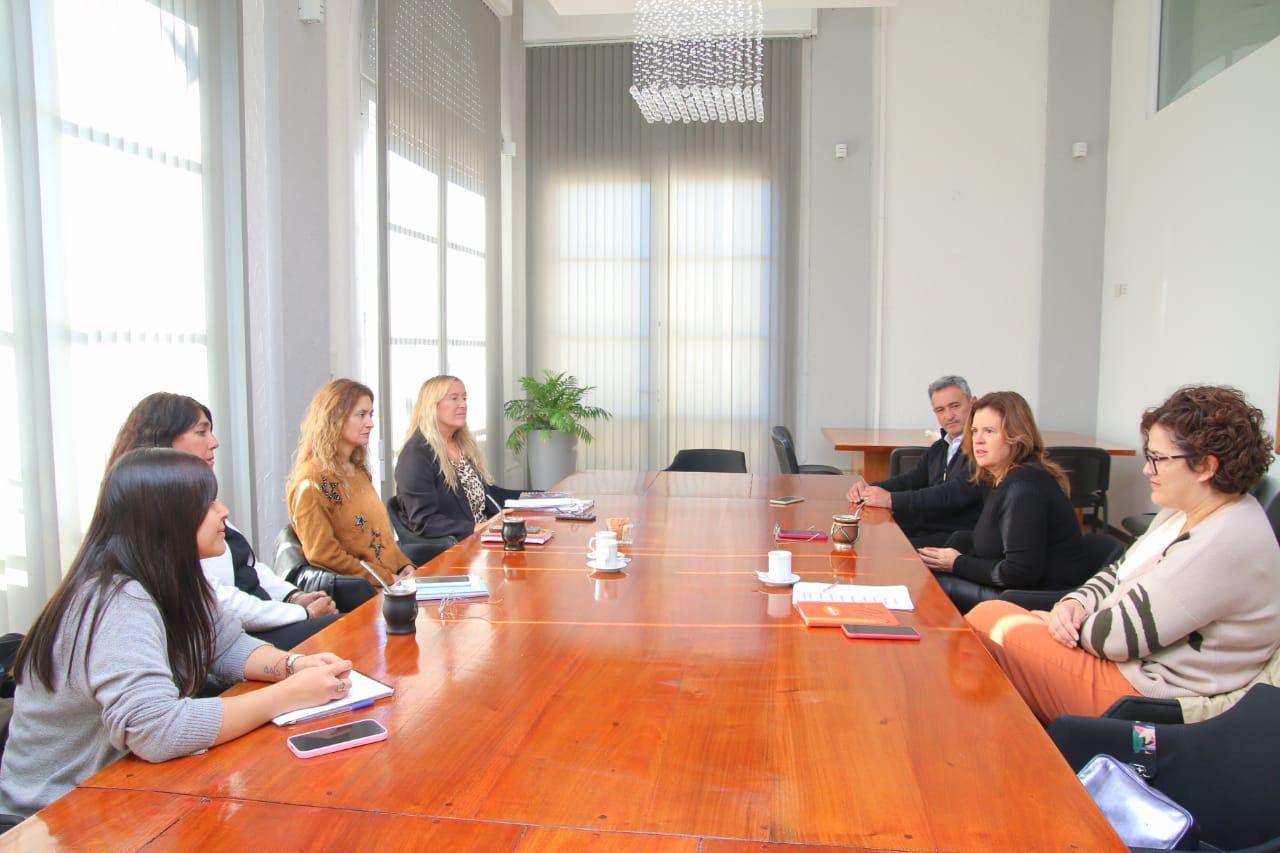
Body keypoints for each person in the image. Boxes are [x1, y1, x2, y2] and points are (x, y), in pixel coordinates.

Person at [0, 449, 354, 818]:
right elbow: (157, 730)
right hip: (54, 817)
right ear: (168, 519)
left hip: (122, 790)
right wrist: (289, 695)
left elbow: (228, 645)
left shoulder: (175, 579)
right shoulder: (119, 600)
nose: (224, 513)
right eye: (208, 504)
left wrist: (294, 664)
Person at [966, 385, 1280, 724]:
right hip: (1128, 662)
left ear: (1205, 466)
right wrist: (1073, 604)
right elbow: (1120, 569)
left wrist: (1059, 621)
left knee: (987, 620)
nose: (1147, 470)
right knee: (997, 621)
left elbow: (1115, 639)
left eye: (1158, 459)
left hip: (1146, 693)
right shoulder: (1188, 510)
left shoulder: (1223, 541)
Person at [108, 393, 339, 649]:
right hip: (234, 633)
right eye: (201, 432)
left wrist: (294, 596)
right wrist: (301, 614)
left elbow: (248, 567)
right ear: (164, 439)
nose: (214, 443)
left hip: (245, 628)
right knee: (338, 634)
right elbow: (215, 600)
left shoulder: (202, 501)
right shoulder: (156, 516)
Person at [918, 390, 1084, 613]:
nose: (978, 439)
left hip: (1035, 597)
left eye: (989, 431)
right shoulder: (1002, 478)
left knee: (930, 586)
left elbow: (1019, 573)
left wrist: (956, 562)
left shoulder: (1022, 488)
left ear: (1016, 436)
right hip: (1017, 587)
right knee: (925, 568)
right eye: (975, 431)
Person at [286, 379, 415, 588]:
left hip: (393, 583)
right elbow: (324, 554)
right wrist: (386, 579)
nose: (370, 423)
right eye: (361, 415)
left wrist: (404, 566)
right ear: (334, 418)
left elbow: (382, 536)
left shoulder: (357, 471)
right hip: (365, 594)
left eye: (371, 414)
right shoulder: (312, 482)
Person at [846, 375, 982, 547]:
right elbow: (911, 480)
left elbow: (952, 493)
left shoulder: (981, 448)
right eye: (940, 410)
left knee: (881, 549)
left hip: (955, 538)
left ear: (973, 403)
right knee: (863, 537)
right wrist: (868, 488)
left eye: (955, 406)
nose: (948, 416)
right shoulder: (940, 447)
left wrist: (890, 499)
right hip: (929, 527)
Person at [394, 375, 521, 541]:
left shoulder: (460, 444)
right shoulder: (416, 454)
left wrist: (540, 498)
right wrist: (476, 528)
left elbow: (487, 494)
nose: (463, 404)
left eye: (464, 398)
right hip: (459, 549)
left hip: (484, 539)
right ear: (432, 406)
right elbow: (424, 521)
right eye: (454, 398)